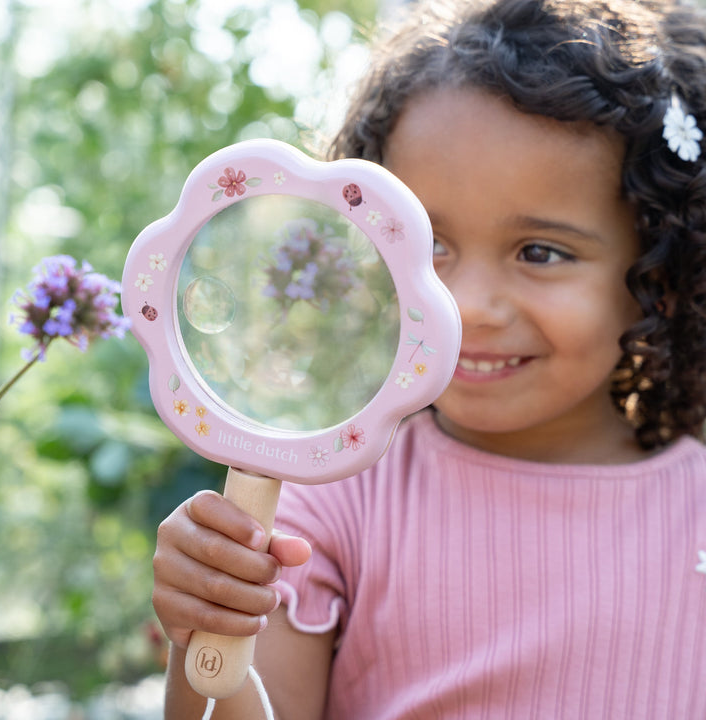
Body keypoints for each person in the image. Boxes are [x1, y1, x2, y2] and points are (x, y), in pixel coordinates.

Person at [151, 0, 706, 717]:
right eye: (429, 244)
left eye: (540, 252)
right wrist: (207, 633)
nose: (466, 304)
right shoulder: (327, 501)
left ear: (656, 274)